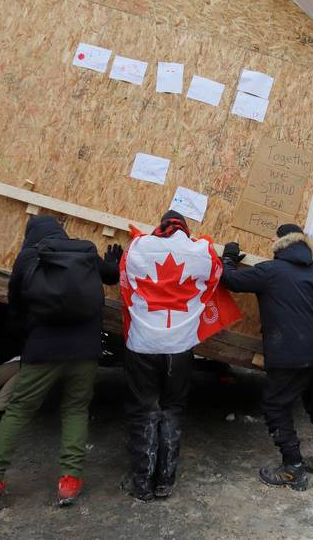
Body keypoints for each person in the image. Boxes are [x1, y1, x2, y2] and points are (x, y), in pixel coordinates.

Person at [0, 215, 120, 514]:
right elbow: (112, 275)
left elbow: (15, 307)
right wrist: (113, 260)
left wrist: (27, 334)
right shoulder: (86, 252)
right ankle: (69, 479)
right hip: (85, 350)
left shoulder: (29, 258)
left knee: (18, 411)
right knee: (76, 409)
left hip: (43, 350)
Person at [221, 224, 313, 491]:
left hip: (287, 354)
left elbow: (231, 281)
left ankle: (293, 468)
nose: (271, 239)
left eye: (274, 236)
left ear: (283, 242)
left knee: (275, 407)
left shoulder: (270, 271)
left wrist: (228, 258)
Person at [120, 211, 222, 501]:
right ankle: (165, 481)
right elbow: (216, 275)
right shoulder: (201, 251)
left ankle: (142, 483)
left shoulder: (138, 247)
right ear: (185, 228)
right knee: (173, 409)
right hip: (179, 346)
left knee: (144, 411)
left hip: (142, 344)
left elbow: (125, 277)